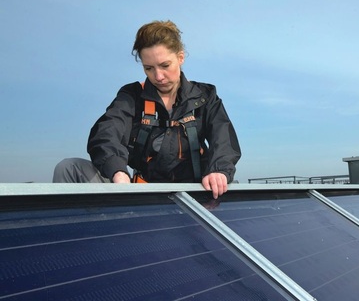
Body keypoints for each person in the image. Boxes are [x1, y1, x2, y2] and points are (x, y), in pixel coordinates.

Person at [53, 20, 241, 199]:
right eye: (149, 68)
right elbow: (107, 131)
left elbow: (223, 137)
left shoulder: (205, 96)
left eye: (165, 65)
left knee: (226, 185)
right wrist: (118, 173)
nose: (158, 76)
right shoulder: (132, 96)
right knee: (68, 168)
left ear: (180, 57)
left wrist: (219, 170)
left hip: (195, 193)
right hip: (139, 194)